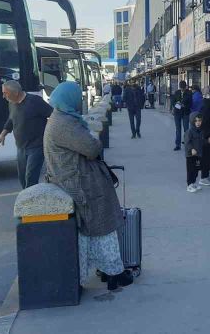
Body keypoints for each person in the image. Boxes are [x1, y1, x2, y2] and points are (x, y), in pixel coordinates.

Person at [42, 81, 134, 291]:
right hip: (81, 184)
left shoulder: (60, 117)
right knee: (104, 224)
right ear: (70, 99)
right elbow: (92, 148)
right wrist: (93, 139)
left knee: (94, 228)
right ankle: (114, 272)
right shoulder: (64, 123)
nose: (81, 101)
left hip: (71, 178)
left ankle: (107, 270)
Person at [0, 80, 53, 189]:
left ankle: (30, 202)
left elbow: (53, 115)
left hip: (36, 146)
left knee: (30, 177)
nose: (3, 96)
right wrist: (3, 133)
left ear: (16, 92)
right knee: (22, 177)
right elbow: (11, 119)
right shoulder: (11, 103)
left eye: (5, 93)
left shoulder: (35, 101)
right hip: (21, 147)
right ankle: (27, 200)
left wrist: (49, 132)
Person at [184, 113, 205, 193]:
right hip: (190, 156)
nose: (198, 122)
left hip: (198, 155)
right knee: (191, 170)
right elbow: (187, 142)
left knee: (196, 169)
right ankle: (189, 185)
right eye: (196, 121)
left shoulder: (200, 131)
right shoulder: (189, 131)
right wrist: (192, 149)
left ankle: (193, 183)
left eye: (199, 121)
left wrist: (208, 141)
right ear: (192, 122)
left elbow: (202, 141)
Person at [171, 81, 192, 151]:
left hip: (185, 112)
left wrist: (184, 106)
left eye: (183, 88)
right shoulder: (177, 92)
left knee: (186, 129)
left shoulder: (189, 93)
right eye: (181, 88)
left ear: (185, 87)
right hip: (177, 113)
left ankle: (187, 144)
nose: (182, 89)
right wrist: (176, 104)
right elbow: (172, 102)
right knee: (178, 129)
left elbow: (190, 103)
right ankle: (177, 145)